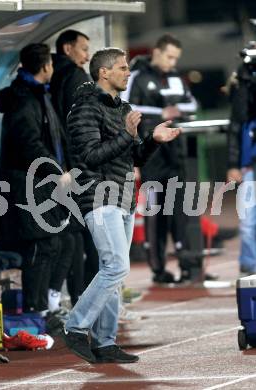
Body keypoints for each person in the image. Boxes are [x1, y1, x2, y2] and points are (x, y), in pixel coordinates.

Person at [63, 47, 181, 364]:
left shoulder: (122, 107)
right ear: (104, 72)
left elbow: (132, 156)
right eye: (122, 68)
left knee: (113, 272)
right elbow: (90, 156)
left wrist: (153, 140)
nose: (128, 73)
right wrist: (128, 135)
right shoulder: (84, 108)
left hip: (123, 196)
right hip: (99, 195)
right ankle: (75, 326)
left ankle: (104, 342)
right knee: (116, 266)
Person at [0, 43, 72, 318]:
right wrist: (57, 171)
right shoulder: (24, 100)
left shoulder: (39, 95)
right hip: (28, 183)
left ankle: (45, 307)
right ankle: (35, 310)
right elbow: (30, 144)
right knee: (41, 244)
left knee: (59, 242)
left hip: (42, 181)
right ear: (45, 67)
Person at [122, 33, 203, 284]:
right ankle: (158, 268)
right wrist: (160, 112)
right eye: (169, 56)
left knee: (180, 210)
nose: (172, 62)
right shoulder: (137, 75)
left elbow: (192, 104)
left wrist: (176, 110)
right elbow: (125, 106)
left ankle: (187, 263)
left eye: (175, 58)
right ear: (156, 52)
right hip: (151, 156)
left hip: (176, 154)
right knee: (156, 212)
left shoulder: (177, 77)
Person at [50, 29, 99, 306]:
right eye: (83, 49)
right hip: (77, 167)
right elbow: (80, 126)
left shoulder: (52, 75)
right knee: (86, 233)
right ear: (68, 49)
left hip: (60, 166)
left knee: (73, 233)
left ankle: (76, 296)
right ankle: (89, 299)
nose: (86, 55)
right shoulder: (77, 77)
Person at [227, 43, 256, 275]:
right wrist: (233, 164)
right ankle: (249, 268)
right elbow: (236, 123)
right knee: (248, 223)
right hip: (250, 163)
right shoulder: (245, 76)